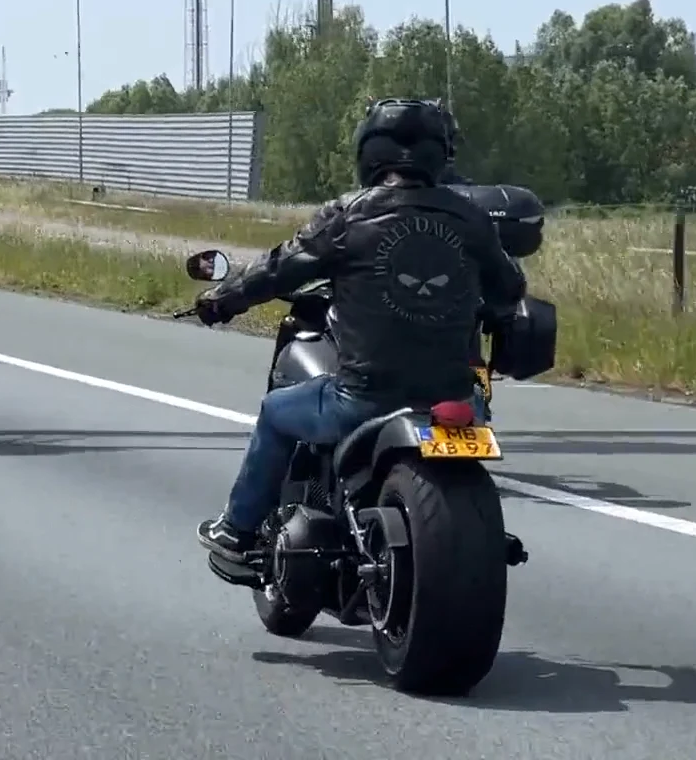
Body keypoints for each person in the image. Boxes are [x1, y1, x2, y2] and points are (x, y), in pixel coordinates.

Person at [190, 98, 528, 584]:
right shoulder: (471, 219)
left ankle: (237, 532)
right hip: (455, 399)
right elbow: (509, 288)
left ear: (369, 152)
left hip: (363, 398)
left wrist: (221, 300)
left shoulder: (348, 215)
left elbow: (279, 267)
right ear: (441, 154)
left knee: (276, 413)